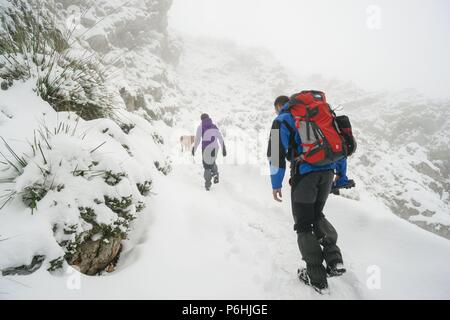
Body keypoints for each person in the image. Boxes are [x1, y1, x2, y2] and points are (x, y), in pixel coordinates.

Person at [268, 95, 347, 293]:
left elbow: (276, 154)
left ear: (279, 106)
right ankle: (334, 259)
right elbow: (336, 146)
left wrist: (276, 184)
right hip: (328, 173)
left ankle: (316, 277)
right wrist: (341, 175)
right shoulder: (316, 116)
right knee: (317, 214)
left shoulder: (282, 120)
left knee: (303, 224)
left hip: (305, 177)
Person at [192, 114, 227, 191]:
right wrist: (223, 148)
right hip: (215, 148)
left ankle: (208, 185)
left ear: (201, 119)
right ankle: (215, 174)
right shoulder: (214, 126)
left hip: (206, 149)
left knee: (207, 166)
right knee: (212, 161)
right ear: (208, 118)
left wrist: (194, 149)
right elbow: (220, 138)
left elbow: (197, 140)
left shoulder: (200, 127)